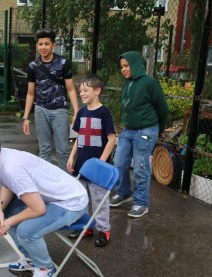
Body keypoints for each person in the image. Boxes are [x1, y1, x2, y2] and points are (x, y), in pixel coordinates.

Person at [0, 126, 88, 277]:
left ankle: (45, 268)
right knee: (1, 208)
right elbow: (8, 185)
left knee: (26, 231)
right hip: (50, 197)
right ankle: (30, 257)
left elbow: (38, 209)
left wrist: (9, 222)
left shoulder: (12, 169)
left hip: (71, 202)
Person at [110, 51, 169, 218]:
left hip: (146, 130)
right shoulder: (127, 83)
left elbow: (163, 108)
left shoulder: (149, 83)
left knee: (140, 168)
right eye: (121, 66)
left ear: (135, 64)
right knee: (119, 162)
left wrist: (161, 129)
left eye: (126, 66)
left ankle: (141, 203)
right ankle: (123, 192)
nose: (123, 69)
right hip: (128, 130)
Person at [67, 75, 116, 247]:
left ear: (97, 91)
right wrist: (72, 156)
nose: (81, 93)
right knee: (82, 198)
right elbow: (79, 137)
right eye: (80, 91)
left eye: (85, 90)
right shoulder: (81, 112)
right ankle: (86, 227)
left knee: (99, 199)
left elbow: (112, 139)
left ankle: (104, 230)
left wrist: (100, 163)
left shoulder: (104, 113)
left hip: (97, 169)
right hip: (81, 165)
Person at [22, 28, 79, 172]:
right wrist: (26, 117)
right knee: (44, 150)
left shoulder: (63, 63)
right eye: (40, 44)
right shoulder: (33, 66)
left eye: (47, 44)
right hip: (41, 110)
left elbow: (71, 89)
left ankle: (66, 186)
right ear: (36, 46)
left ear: (53, 45)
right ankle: (46, 184)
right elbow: (30, 93)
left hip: (60, 110)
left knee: (63, 150)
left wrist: (76, 111)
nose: (43, 47)